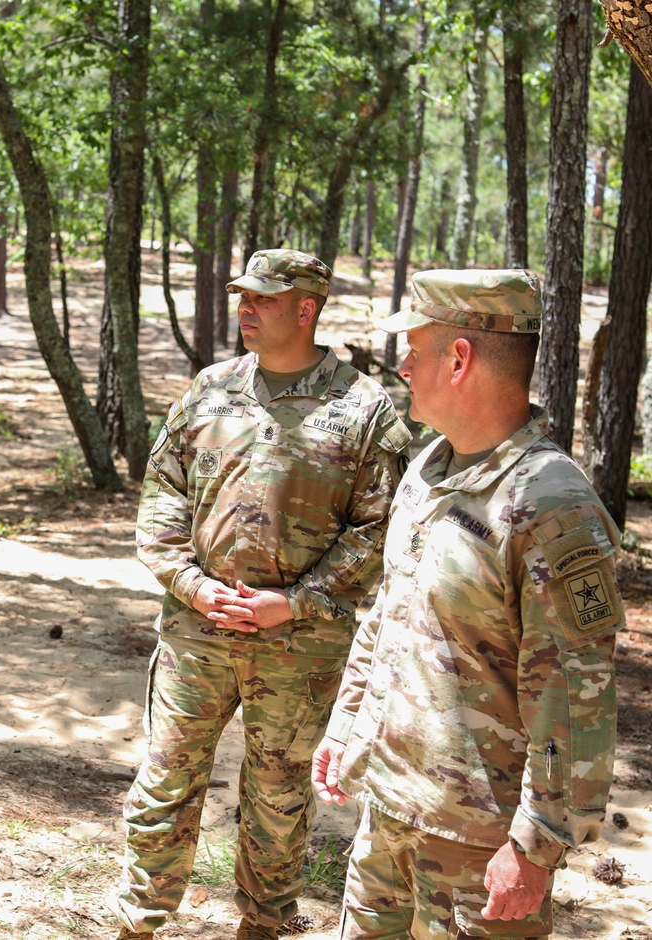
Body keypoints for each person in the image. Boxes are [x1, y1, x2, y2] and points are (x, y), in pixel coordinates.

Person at [311, 268, 624, 940]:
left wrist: (536, 847)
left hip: (479, 847)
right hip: (390, 810)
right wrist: (347, 727)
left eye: (414, 351)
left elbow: (575, 695)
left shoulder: (549, 503)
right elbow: (388, 616)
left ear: (459, 359)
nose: (401, 366)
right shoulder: (430, 469)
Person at [110, 249, 411, 940]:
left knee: (277, 796)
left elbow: (379, 531)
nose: (246, 308)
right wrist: (192, 585)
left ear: (306, 310)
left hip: (299, 645)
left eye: (264, 300)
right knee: (164, 783)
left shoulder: (362, 407)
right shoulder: (208, 391)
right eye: (243, 296)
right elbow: (162, 499)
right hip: (197, 631)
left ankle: (265, 926)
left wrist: (298, 601)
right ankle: (139, 924)